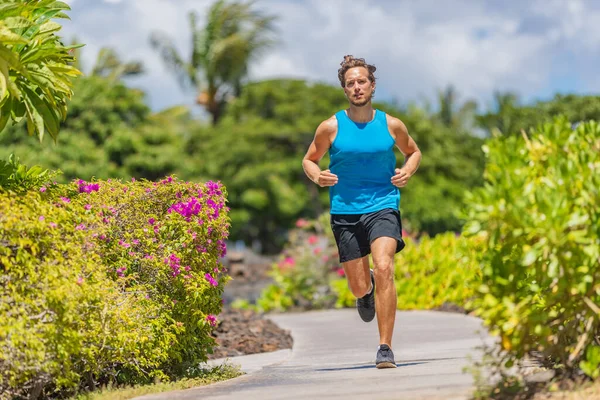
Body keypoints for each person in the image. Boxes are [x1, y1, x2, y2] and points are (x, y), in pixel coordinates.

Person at [302, 55, 422, 369]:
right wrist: (317, 175)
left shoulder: (391, 124)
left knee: (384, 266)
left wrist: (407, 171)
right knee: (359, 286)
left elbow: (413, 151)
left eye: (362, 81)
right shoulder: (330, 126)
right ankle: (364, 289)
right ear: (345, 89)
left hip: (383, 204)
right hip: (345, 210)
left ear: (372, 85)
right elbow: (309, 159)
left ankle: (385, 348)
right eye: (351, 83)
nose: (357, 87)